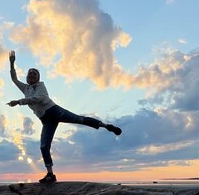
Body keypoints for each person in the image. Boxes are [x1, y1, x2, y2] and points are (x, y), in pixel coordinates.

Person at [7, 50, 122, 183]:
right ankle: (50, 174)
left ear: (38, 77)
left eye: (35, 74)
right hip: (45, 121)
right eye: (30, 73)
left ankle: (106, 126)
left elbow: (38, 98)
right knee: (44, 146)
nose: (32, 75)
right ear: (27, 77)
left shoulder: (41, 86)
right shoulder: (25, 89)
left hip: (55, 111)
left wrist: (19, 102)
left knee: (79, 119)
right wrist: (12, 63)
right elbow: (14, 79)